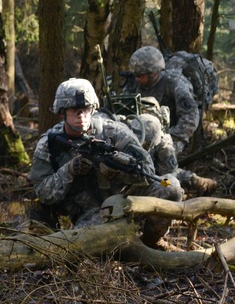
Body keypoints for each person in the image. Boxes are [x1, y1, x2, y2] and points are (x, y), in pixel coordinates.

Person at [29, 78, 182, 246]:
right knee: (78, 247)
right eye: (74, 110)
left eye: (86, 109)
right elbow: (42, 193)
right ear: (61, 112)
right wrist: (69, 171)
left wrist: (119, 171)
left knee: (170, 186)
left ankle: (150, 243)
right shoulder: (49, 144)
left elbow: (147, 171)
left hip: (129, 201)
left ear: (93, 108)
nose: (81, 115)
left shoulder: (115, 132)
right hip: (93, 214)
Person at [125, 46, 217, 195]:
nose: (137, 79)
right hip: (145, 133)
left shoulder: (175, 84)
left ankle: (185, 186)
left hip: (173, 134)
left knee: (158, 167)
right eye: (135, 75)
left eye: (140, 75)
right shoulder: (135, 84)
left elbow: (191, 117)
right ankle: (195, 181)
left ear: (153, 73)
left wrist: (172, 138)